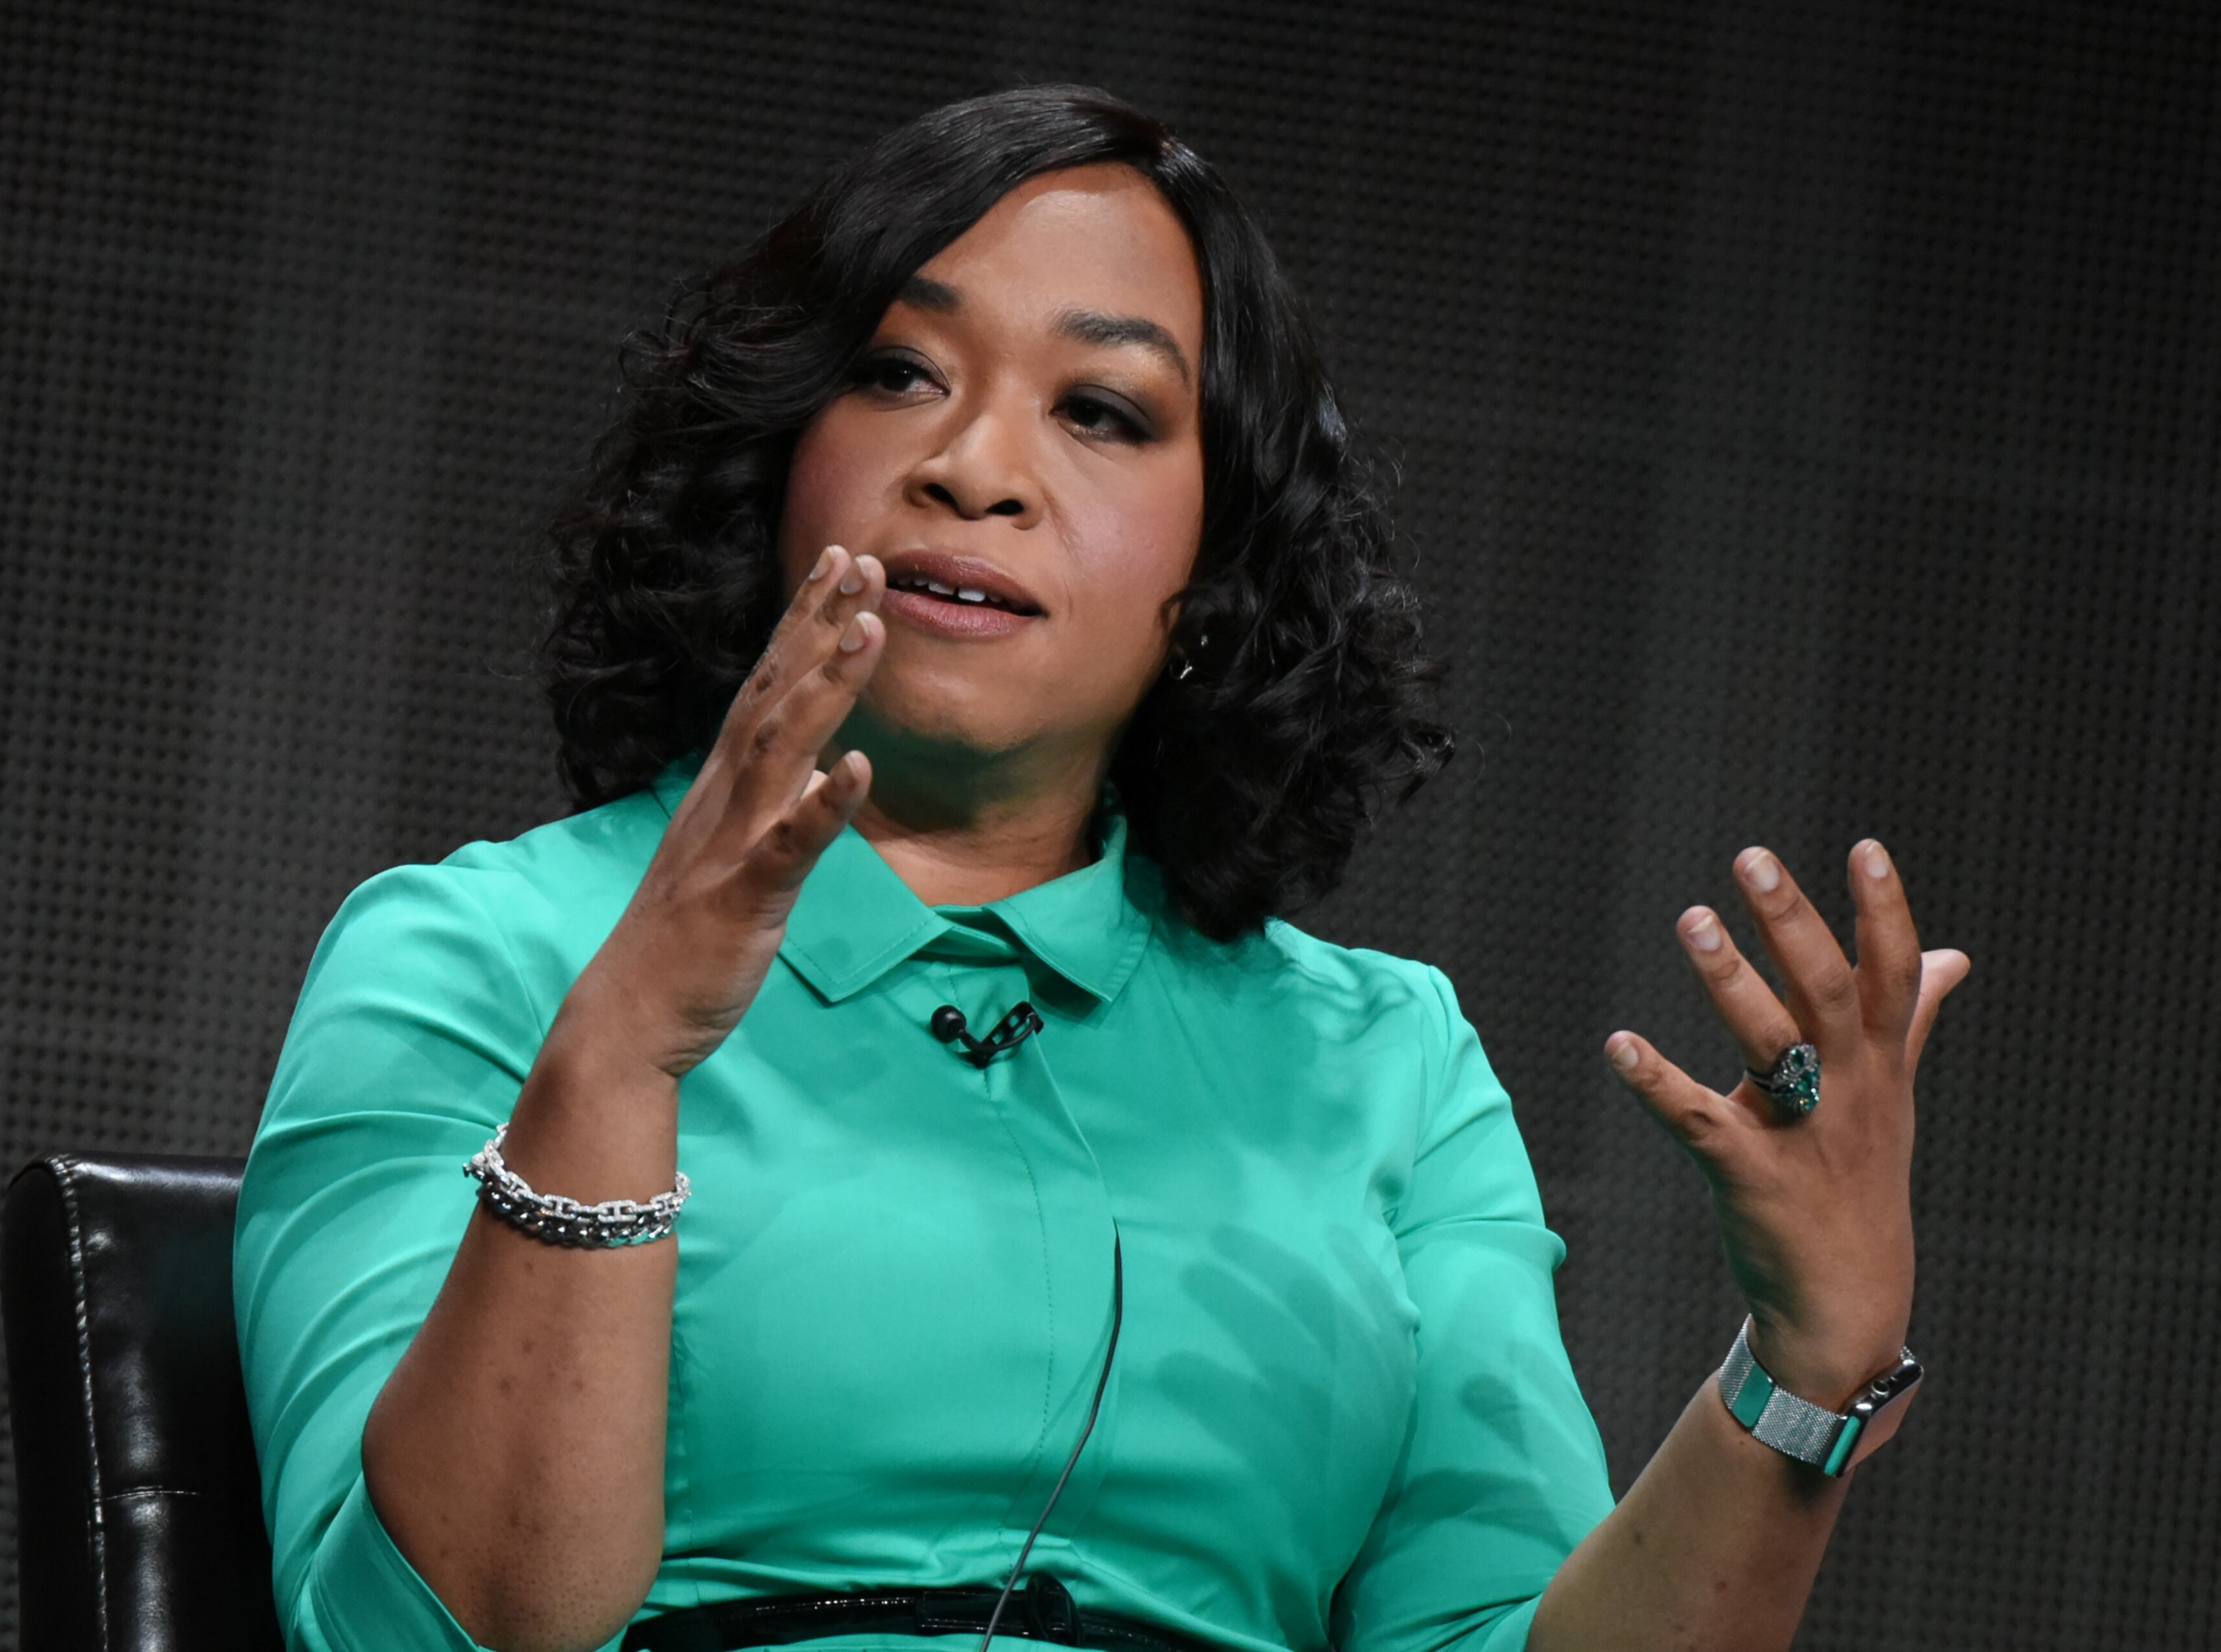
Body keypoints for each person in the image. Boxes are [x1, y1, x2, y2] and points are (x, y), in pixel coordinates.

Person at [233, 85, 1969, 1652]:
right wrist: (615, 1059)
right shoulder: (477, 956)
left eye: (1103, 412)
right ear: (777, 459)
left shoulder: (1386, 1065)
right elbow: (439, 1632)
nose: (973, 468)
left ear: (1216, 570)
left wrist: (1801, 1384)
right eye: (899, 372)